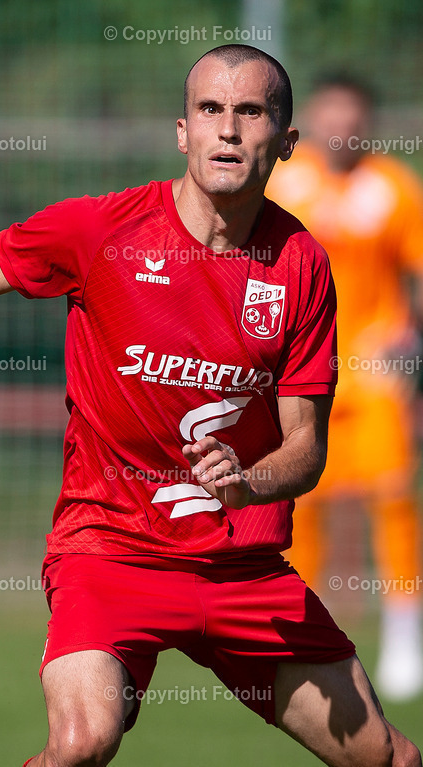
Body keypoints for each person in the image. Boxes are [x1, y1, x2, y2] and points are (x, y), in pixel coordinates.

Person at [0, 45, 421, 767]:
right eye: (210, 110)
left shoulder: (301, 264)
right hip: (110, 551)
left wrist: (246, 480)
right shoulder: (104, 230)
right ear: (182, 131)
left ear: (286, 142)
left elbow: (305, 449)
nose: (228, 129)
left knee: (386, 757)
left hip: (242, 568)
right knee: (81, 743)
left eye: (251, 112)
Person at [267, 73, 423, 701]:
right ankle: (300, 638)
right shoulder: (286, 181)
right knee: (301, 505)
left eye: (353, 117)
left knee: (393, 499)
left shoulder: (394, 189)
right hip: (302, 370)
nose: (342, 129)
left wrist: (411, 348)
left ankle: (405, 636)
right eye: (331, 116)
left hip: (374, 374)